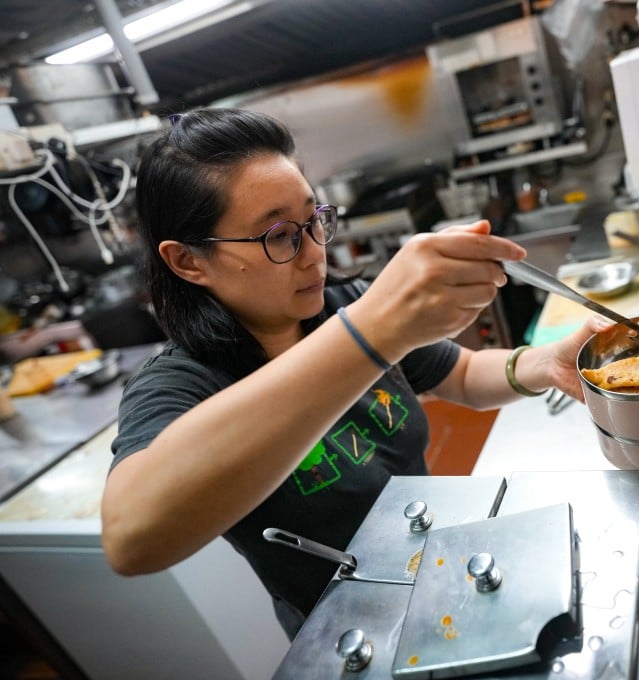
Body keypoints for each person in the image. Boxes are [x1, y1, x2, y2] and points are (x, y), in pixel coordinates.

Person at [100, 107, 606, 639]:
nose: (314, 252)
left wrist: (544, 362)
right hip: (348, 636)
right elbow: (131, 539)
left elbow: (459, 374)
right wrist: (371, 333)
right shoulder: (180, 383)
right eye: (279, 235)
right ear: (189, 261)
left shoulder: (339, 305)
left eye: (313, 220)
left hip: (438, 577)